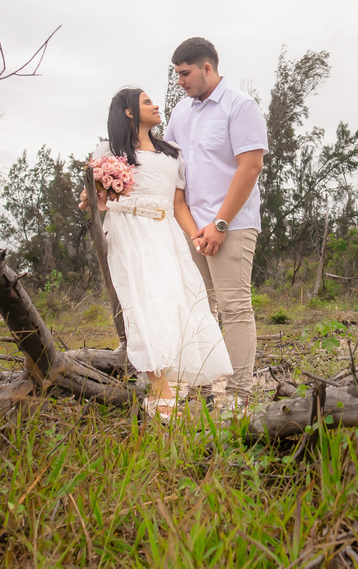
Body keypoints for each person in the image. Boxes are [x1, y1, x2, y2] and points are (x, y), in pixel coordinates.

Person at [80, 88, 233, 419]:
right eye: (148, 101)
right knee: (144, 306)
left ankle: (171, 388)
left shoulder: (172, 153)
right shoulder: (109, 150)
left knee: (178, 305)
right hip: (128, 232)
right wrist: (93, 196)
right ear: (130, 112)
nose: (156, 105)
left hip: (166, 234)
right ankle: (161, 393)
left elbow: (178, 204)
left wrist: (196, 237)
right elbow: (91, 197)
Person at [163, 38, 268, 412]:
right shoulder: (180, 113)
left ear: (207, 68)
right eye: (177, 74)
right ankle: (205, 388)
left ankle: (237, 397)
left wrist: (220, 224)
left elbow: (250, 166)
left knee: (234, 307)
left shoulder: (240, 106)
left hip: (232, 226)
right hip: (192, 228)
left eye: (185, 73)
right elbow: (168, 166)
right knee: (197, 308)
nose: (180, 81)